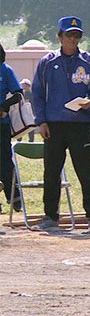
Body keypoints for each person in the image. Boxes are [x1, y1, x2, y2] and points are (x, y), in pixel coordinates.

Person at [31, 16, 90, 230]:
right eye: (69, 35)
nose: (73, 39)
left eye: (77, 35)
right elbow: (37, 93)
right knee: (52, 171)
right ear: (59, 36)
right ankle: (50, 217)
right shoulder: (47, 62)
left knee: (86, 171)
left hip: (80, 124)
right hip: (53, 125)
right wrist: (41, 121)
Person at [0, 42, 24, 213]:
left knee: (5, 162)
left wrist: (3, 107)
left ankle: (14, 198)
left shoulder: (5, 70)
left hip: (2, 124)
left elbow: (18, 94)